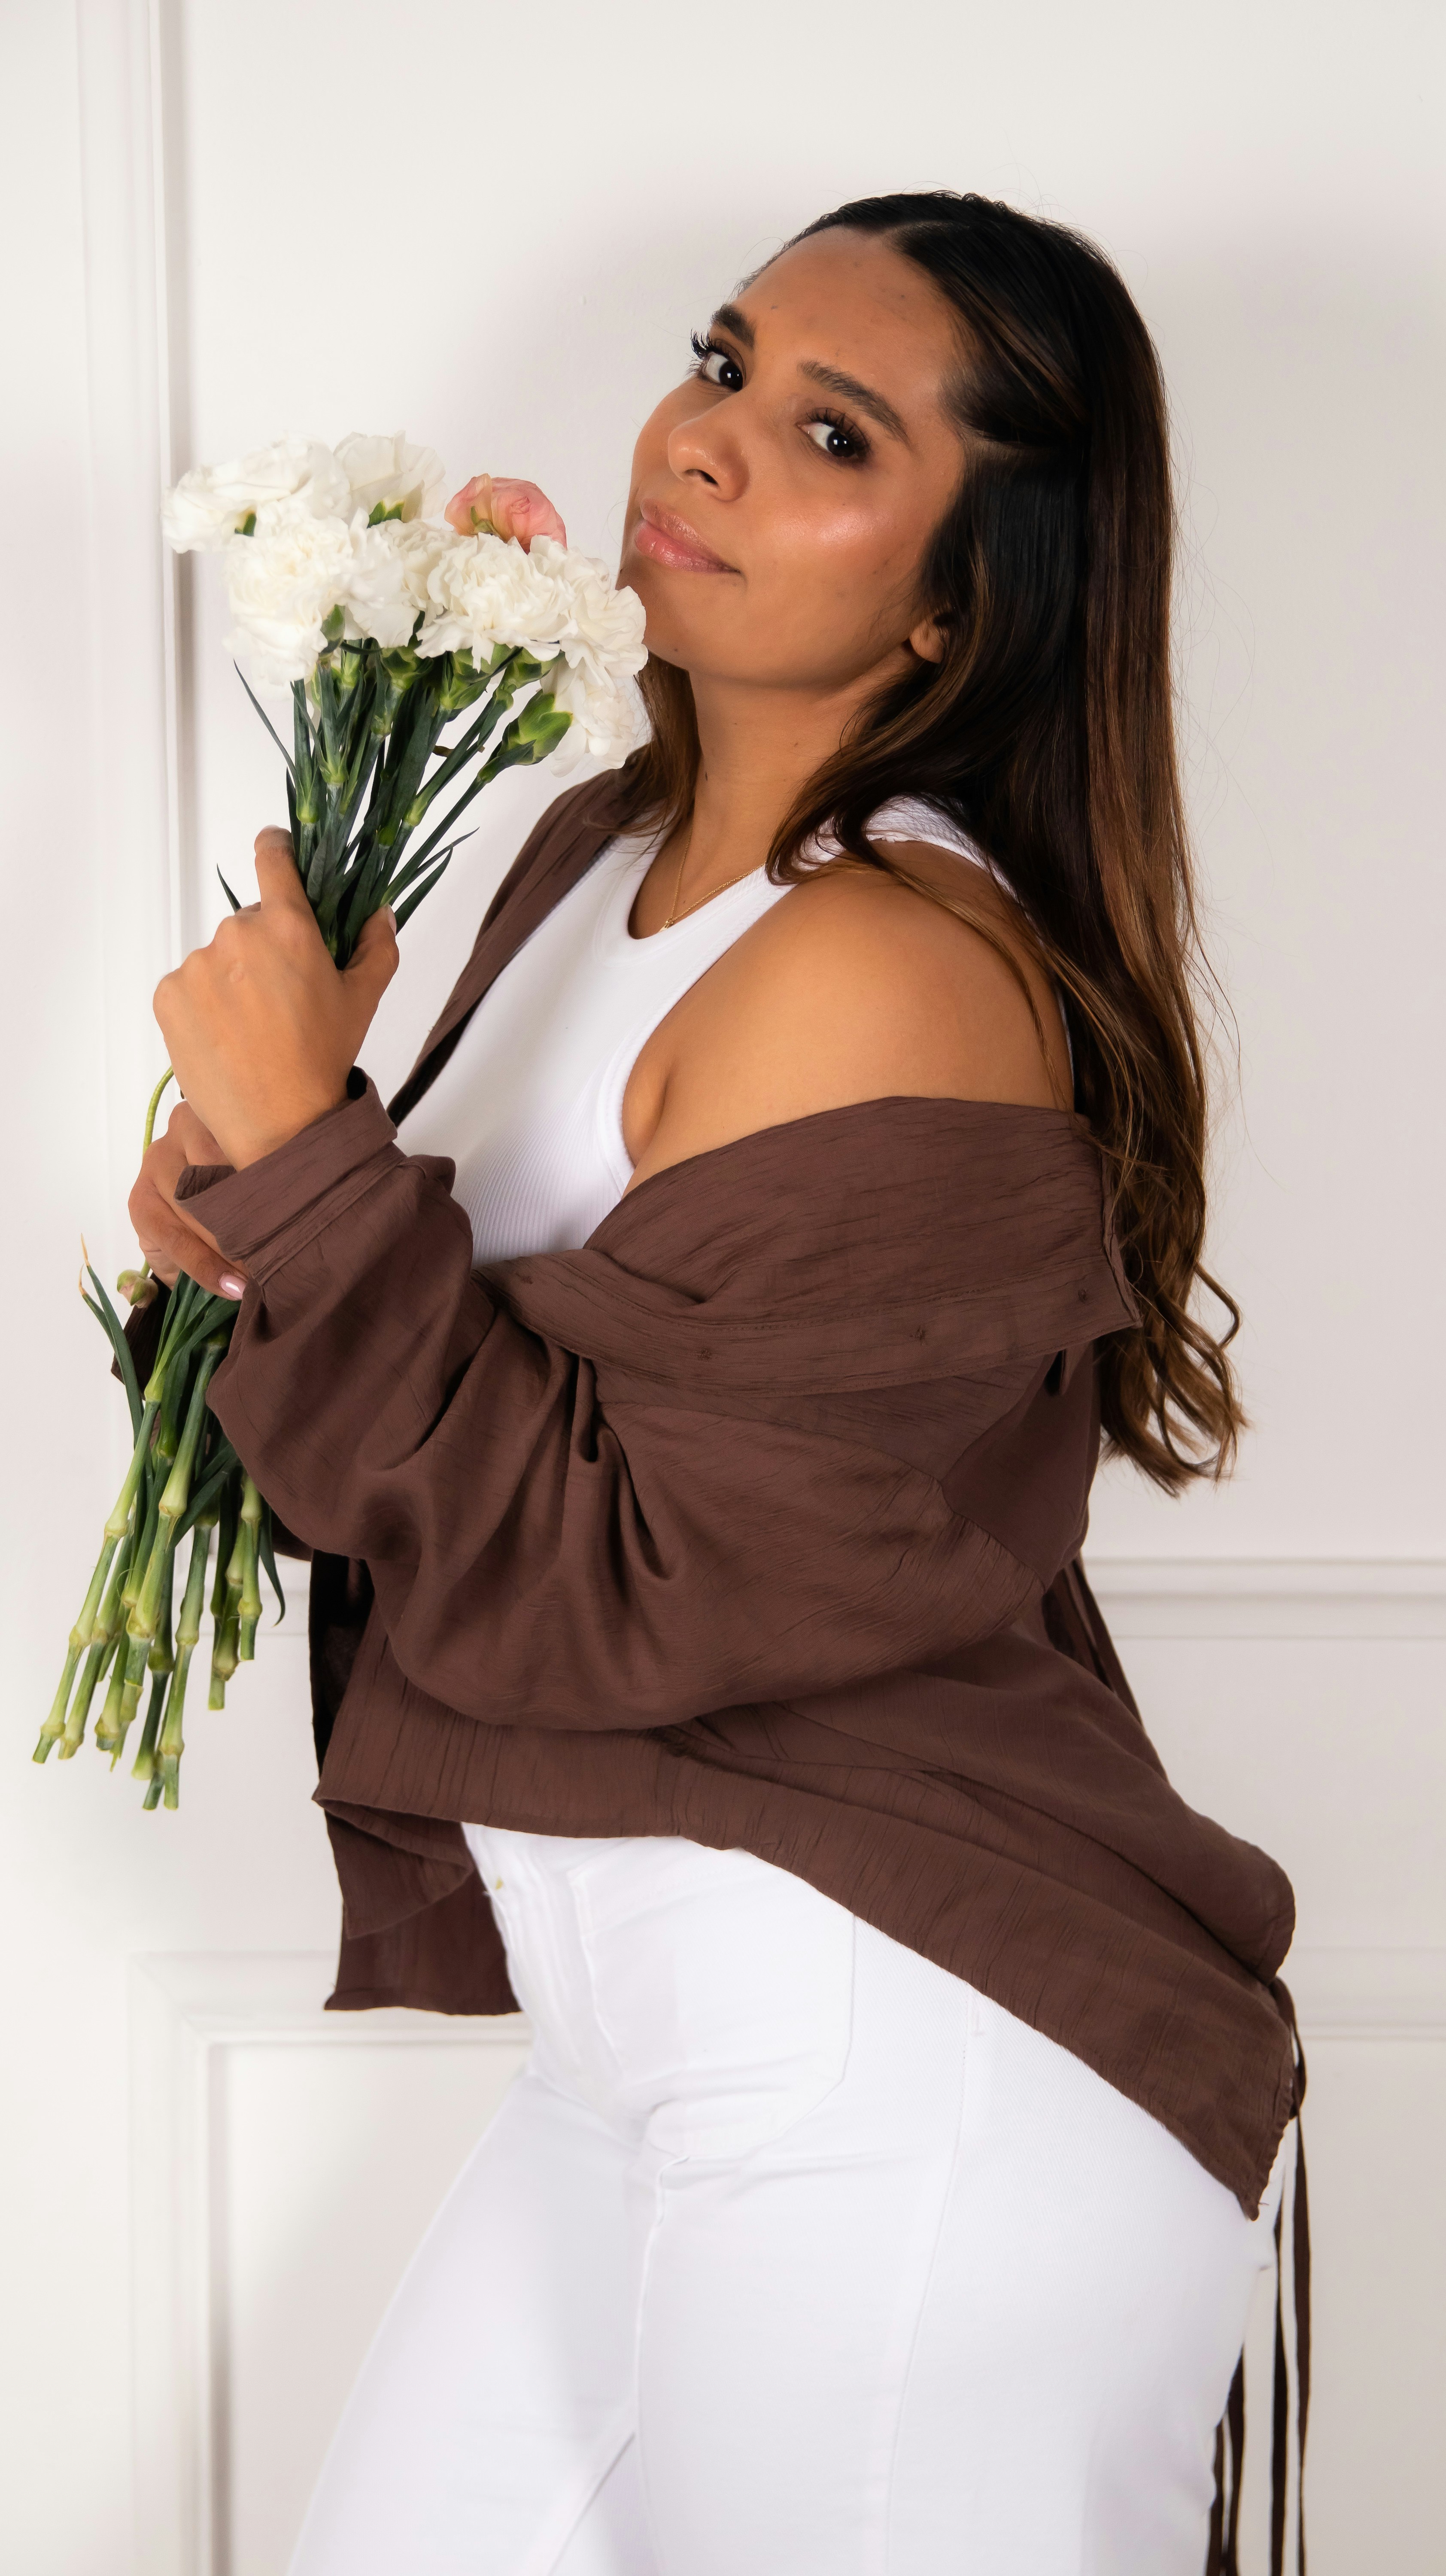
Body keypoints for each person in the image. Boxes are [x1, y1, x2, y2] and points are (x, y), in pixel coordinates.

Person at [132, 192, 1301, 2576]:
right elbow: (429, 1446)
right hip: (645, 2064)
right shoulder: (604, 856)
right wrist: (254, 1227)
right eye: (724, 357)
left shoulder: (883, 968)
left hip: (918, 2050)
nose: (708, 439)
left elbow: (626, 1580)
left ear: (964, 598)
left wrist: (316, 1177)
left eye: (832, 431)